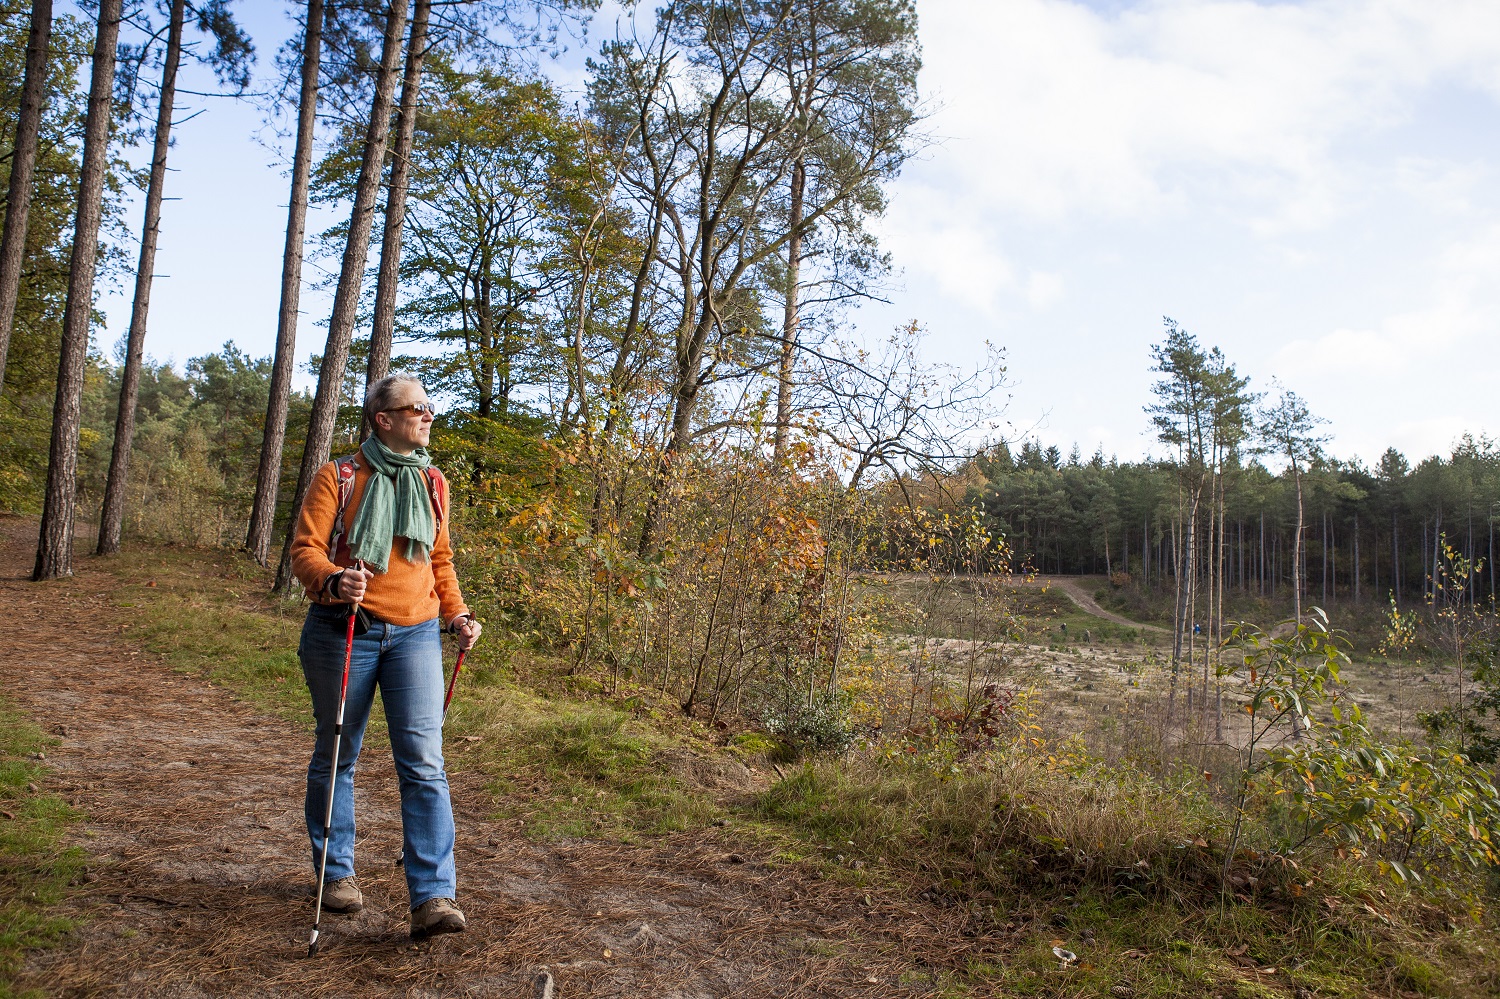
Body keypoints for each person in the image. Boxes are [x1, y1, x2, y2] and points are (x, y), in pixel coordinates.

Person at [290, 374, 482, 938]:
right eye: (417, 408)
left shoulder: (433, 482)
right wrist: (332, 579)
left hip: (416, 634)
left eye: (429, 408)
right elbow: (305, 550)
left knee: (423, 763)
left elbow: (438, 561)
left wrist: (456, 615)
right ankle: (336, 874)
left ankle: (433, 896)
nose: (428, 416)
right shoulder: (340, 476)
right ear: (383, 419)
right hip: (341, 628)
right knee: (338, 751)